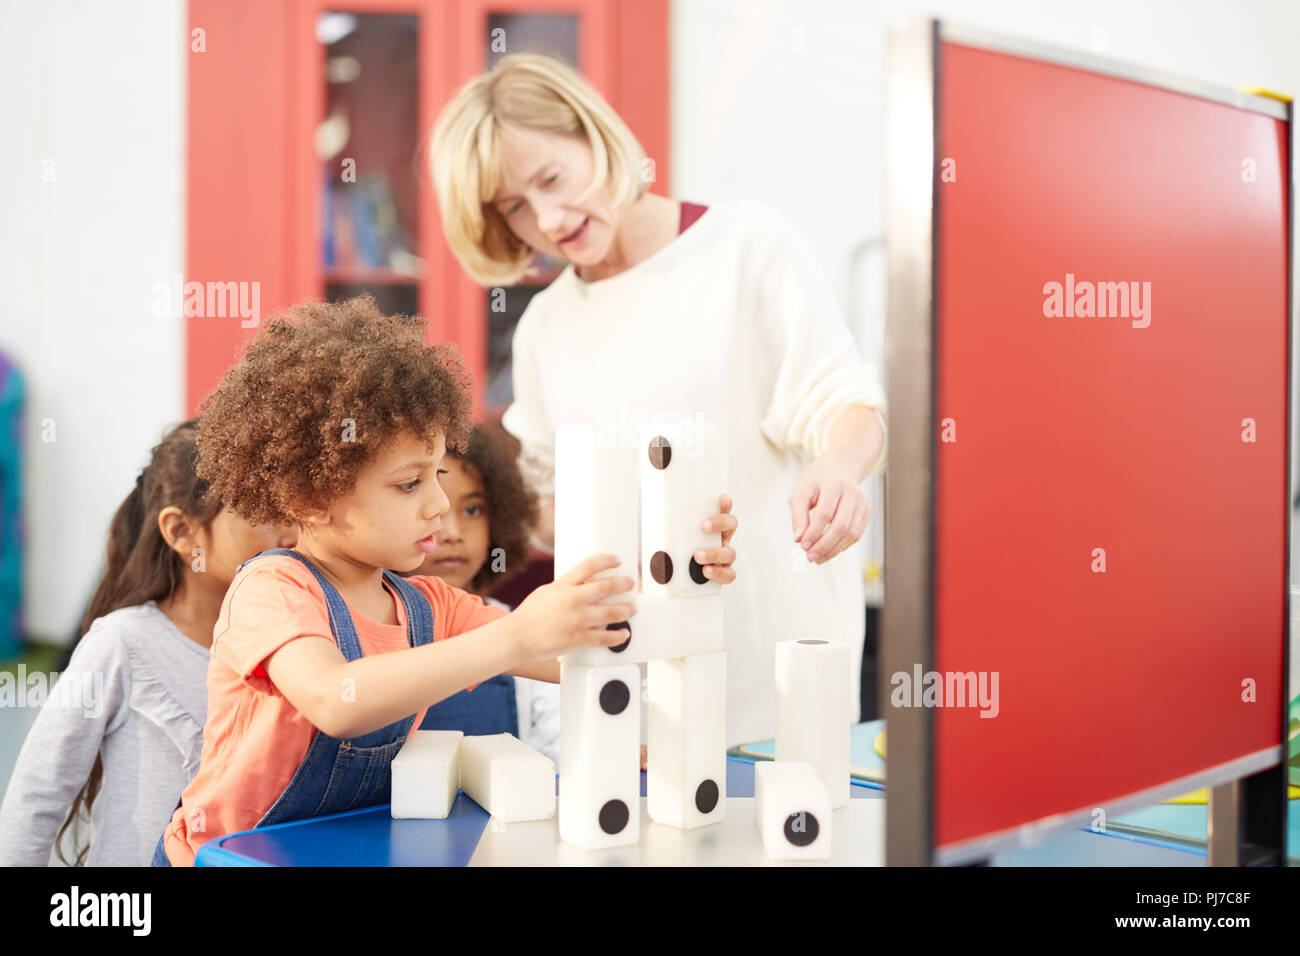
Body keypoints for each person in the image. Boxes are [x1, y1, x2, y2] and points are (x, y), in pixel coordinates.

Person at [153, 296, 735, 865]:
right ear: (311, 498)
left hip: (337, 852)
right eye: (410, 484)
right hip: (223, 858)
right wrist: (515, 637)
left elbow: (587, 651)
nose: (438, 506)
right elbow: (337, 700)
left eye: (437, 474)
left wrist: (682, 570)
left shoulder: (429, 607)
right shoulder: (273, 589)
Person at [430, 52, 885, 745]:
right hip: (630, 696)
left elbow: (848, 407)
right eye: (514, 207)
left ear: (593, 133)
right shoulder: (546, 326)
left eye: (552, 178)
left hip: (773, 674)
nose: (549, 219)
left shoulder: (746, 249)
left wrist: (838, 468)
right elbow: (546, 510)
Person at [0, 419, 295, 866]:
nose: (291, 534)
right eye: (265, 512)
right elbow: (37, 796)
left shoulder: (297, 648)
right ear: (180, 532)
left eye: (296, 511)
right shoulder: (122, 643)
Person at [404, 422, 561, 763]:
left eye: (472, 510)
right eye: (434, 511)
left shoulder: (518, 624)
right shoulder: (366, 624)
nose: (453, 533)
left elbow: (558, 751)